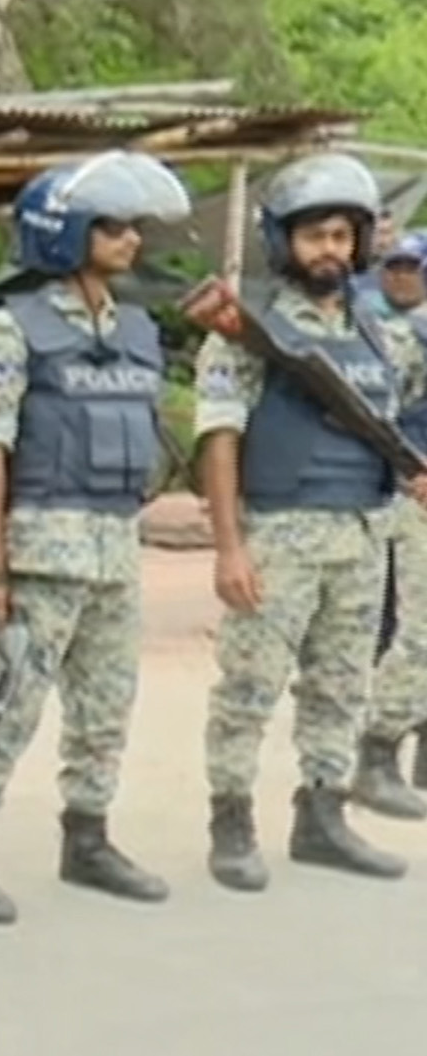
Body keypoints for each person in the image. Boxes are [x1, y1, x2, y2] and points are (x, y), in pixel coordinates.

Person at [0, 152, 193, 925]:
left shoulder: (135, 328)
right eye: (112, 227)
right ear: (64, 232)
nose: (131, 239)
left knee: (107, 702)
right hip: (41, 549)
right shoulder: (11, 327)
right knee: (10, 705)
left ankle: (88, 836)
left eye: (133, 226)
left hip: (115, 546)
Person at [192, 153, 427, 892]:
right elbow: (219, 437)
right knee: (249, 688)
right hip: (279, 535)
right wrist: (230, 548)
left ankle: (323, 814)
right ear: (283, 241)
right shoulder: (245, 329)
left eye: (341, 236)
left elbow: (389, 427)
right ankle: (232, 822)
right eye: (314, 235)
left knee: (339, 685)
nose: (329, 249)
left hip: (361, 534)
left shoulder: (381, 333)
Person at [354, 230, 427, 819]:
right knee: (414, 631)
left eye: (412, 266)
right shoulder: (392, 336)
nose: (400, 274)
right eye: (393, 265)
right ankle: (377, 748)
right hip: (408, 496)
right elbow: (374, 413)